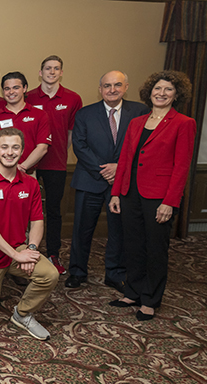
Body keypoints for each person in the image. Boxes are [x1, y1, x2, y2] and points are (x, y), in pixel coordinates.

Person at [108, 70, 196, 321]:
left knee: (155, 249)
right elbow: (125, 159)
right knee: (132, 246)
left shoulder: (183, 123)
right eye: (158, 89)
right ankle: (133, 292)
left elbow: (181, 167)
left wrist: (170, 202)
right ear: (150, 92)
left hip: (159, 197)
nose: (162, 93)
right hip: (130, 193)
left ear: (176, 94)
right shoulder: (137, 122)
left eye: (168, 89)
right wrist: (116, 193)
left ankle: (150, 299)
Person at [0, 128, 58, 341]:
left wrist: (30, 249)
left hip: (18, 249)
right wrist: (16, 255)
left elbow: (37, 220)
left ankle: (23, 314)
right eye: (4, 147)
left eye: (15, 147)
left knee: (50, 274)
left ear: (22, 151)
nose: (9, 152)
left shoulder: (30, 183)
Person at [66, 71, 148, 290]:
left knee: (118, 230)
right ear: (100, 89)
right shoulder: (85, 113)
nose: (112, 89)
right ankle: (77, 271)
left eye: (117, 85)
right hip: (89, 180)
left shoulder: (140, 112)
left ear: (126, 87)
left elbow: (143, 146)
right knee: (82, 229)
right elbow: (79, 145)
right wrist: (103, 170)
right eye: (107, 85)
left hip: (123, 183)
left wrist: (119, 168)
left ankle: (114, 273)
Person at [26, 55, 83, 274]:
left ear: (61, 72)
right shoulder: (29, 96)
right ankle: (26, 251)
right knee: (26, 210)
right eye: (47, 68)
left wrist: (59, 152)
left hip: (56, 163)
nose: (51, 72)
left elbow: (71, 133)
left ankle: (53, 254)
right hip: (28, 164)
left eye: (56, 68)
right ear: (40, 73)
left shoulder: (72, 98)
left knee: (54, 211)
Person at [0, 72, 51, 175]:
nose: (11, 92)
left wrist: (22, 167)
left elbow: (42, 147)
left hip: (28, 173)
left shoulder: (40, 115)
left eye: (16, 88)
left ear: (24, 88)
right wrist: (6, 166)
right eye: (7, 89)